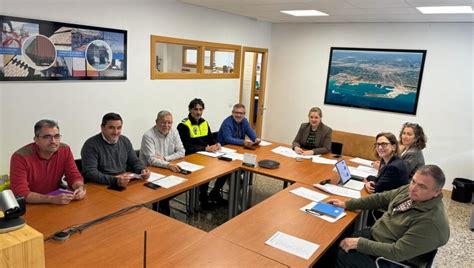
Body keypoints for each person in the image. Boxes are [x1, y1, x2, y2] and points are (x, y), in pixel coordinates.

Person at [329, 165, 450, 268]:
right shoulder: (410, 192)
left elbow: (397, 252)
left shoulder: (430, 222)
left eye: (422, 186)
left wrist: (359, 244)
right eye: (413, 181)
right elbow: (381, 198)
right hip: (380, 236)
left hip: (392, 259)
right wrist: (347, 204)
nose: (413, 188)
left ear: (437, 192)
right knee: (338, 239)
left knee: (342, 255)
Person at [10, 119, 86, 204]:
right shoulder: (20, 157)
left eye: (56, 136)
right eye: (47, 137)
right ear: (36, 140)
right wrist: (51, 199)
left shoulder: (65, 150)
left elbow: (73, 176)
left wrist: (79, 188)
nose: (53, 141)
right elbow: (21, 193)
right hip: (31, 204)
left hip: (56, 200)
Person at [177, 98, 226, 209]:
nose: (198, 112)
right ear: (190, 110)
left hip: (206, 156)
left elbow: (210, 139)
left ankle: (215, 192)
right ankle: (203, 198)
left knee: (224, 168)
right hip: (190, 158)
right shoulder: (183, 125)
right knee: (205, 172)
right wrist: (205, 148)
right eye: (195, 109)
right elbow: (187, 147)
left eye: (200, 109)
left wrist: (216, 144)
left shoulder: (204, 122)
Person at [81, 112, 150, 188]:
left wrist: (142, 170)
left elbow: (134, 161)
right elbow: (90, 173)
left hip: (123, 181)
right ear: (102, 127)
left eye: (119, 128)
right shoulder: (91, 145)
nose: (116, 132)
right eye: (111, 128)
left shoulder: (124, 141)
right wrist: (115, 180)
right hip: (101, 186)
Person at [140, 110, 185, 215]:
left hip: (166, 169)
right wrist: (168, 164)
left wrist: (165, 159)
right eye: (163, 122)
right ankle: (161, 218)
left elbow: (182, 152)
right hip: (150, 172)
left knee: (185, 183)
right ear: (156, 122)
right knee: (163, 196)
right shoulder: (148, 136)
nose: (167, 125)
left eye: (170, 122)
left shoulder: (174, 132)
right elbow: (151, 160)